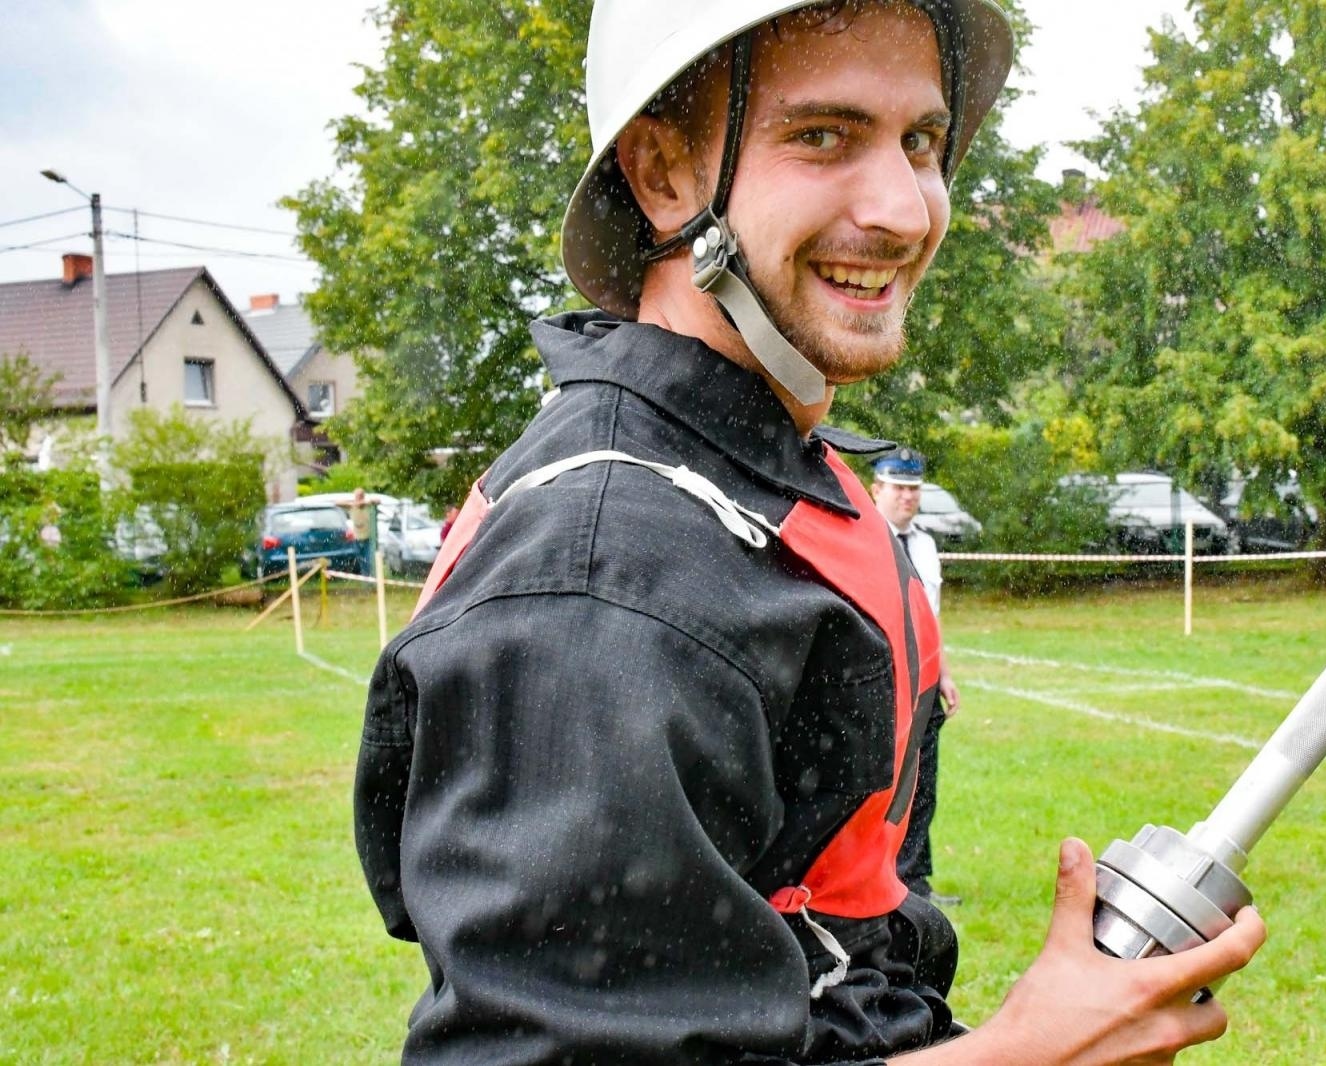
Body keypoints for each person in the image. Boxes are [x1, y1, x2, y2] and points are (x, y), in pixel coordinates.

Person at [353, 3, 1266, 1063]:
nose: (902, 210)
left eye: (920, 142)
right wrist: (1030, 1053)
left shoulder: (765, 483)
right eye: (822, 136)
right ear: (661, 175)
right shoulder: (602, 578)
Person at [870, 448, 961, 906]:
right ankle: (876, 880)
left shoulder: (924, 544)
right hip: (883, 679)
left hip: (923, 679)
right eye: (898, 487)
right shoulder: (865, 539)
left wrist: (943, 674)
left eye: (913, 488)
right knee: (881, 784)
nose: (907, 496)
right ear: (877, 489)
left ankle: (915, 882)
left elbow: (931, 615)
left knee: (922, 782)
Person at [344, 487, 377, 575]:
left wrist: (363, 502)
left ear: (363, 496)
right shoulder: (352, 506)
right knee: (360, 560)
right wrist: (354, 503)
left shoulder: (368, 506)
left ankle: (370, 576)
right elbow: (337, 503)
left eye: (360, 496)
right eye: (357, 496)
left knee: (369, 559)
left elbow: (377, 501)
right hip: (357, 538)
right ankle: (365, 577)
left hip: (368, 538)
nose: (358, 497)